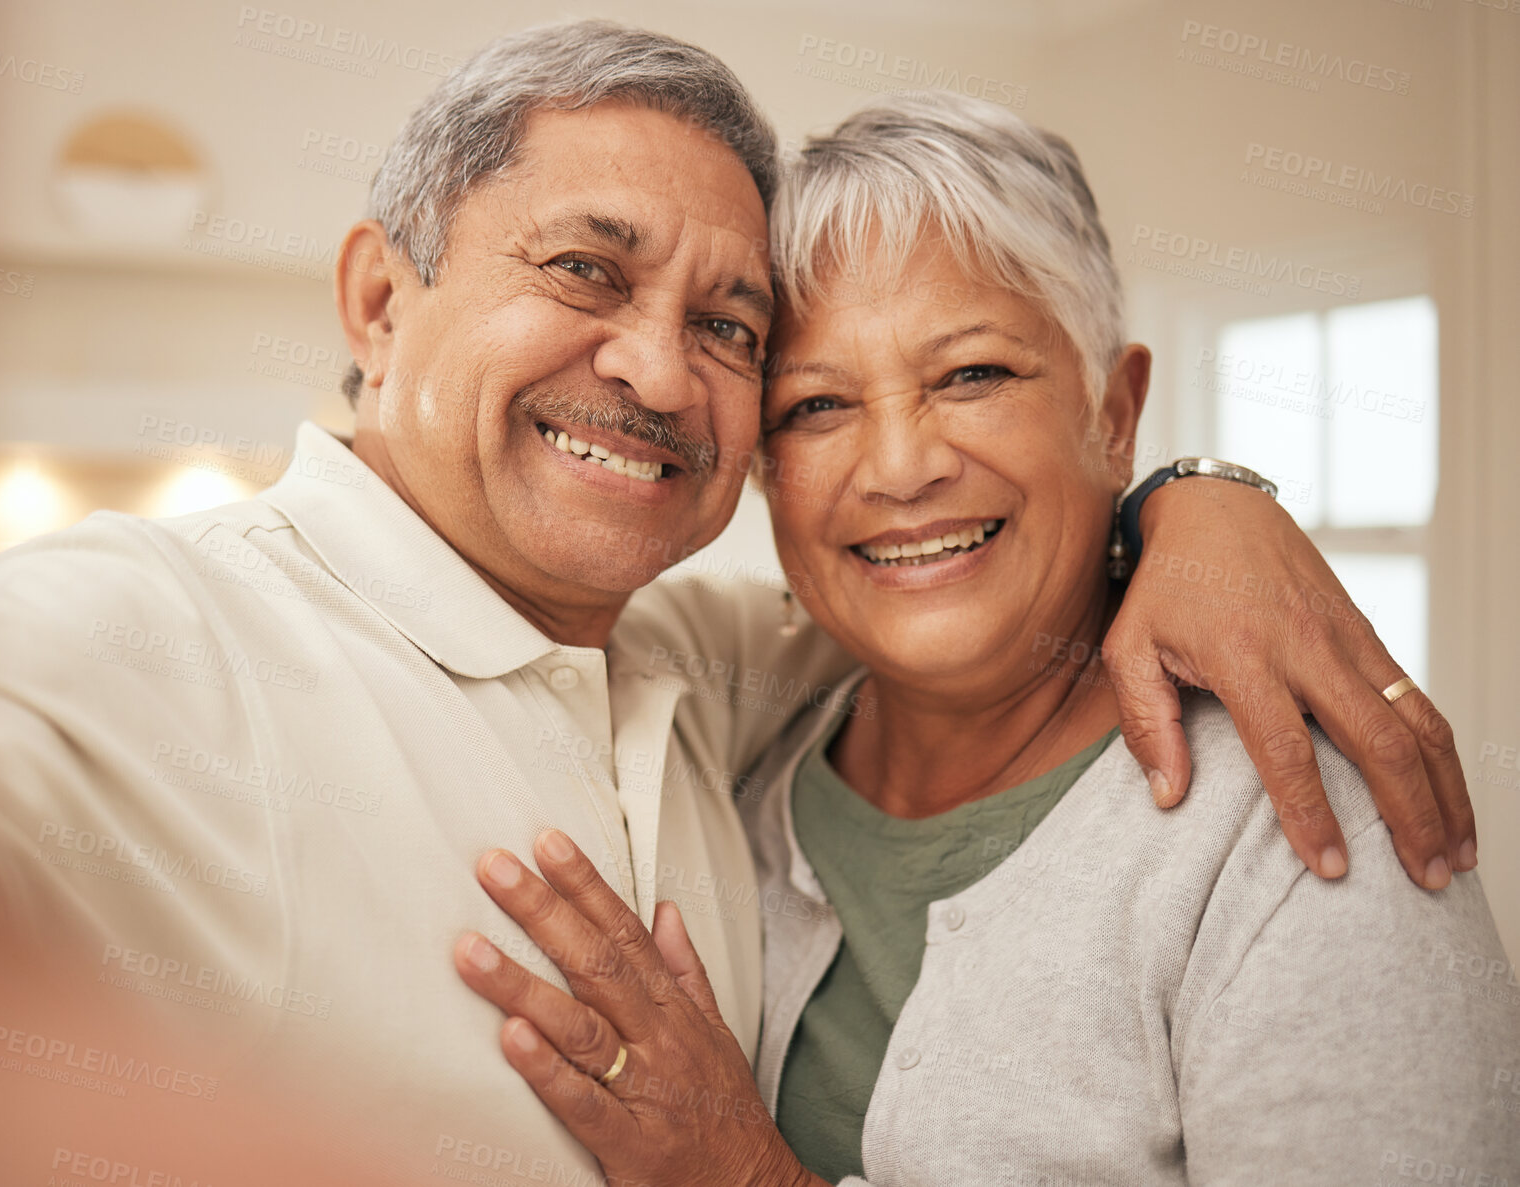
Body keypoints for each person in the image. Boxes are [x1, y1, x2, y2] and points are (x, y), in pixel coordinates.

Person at [0, 22, 1472, 1175]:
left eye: (730, 325)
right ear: (383, 302)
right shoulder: (128, 639)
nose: (659, 370)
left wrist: (1204, 500)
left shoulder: (721, 680)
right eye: (587, 270)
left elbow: (974, 579)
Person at [453, 92, 1518, 1185]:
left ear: (1112, 411)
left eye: (971, 374)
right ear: (764, 463)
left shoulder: (1292, 820)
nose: (901, 466)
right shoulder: (729, 746)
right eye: (816, 406)